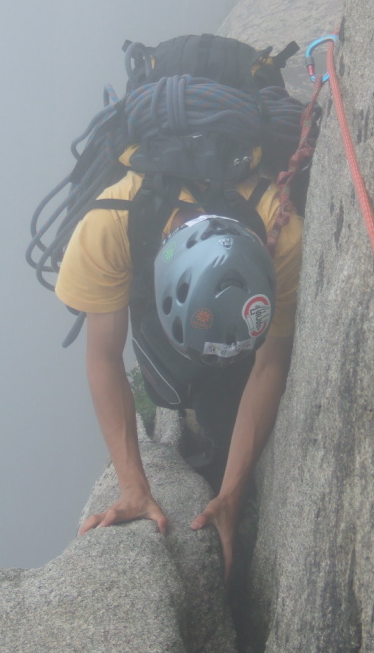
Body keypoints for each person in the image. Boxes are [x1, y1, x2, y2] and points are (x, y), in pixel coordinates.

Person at [53, 162, 302, 581]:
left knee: (227, 411)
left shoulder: (283, 228)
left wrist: (233, 493)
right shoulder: (110, 224)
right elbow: (104, 358)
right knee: (177, 388)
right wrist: (132, 485)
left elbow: (269, 362)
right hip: (156, 297)